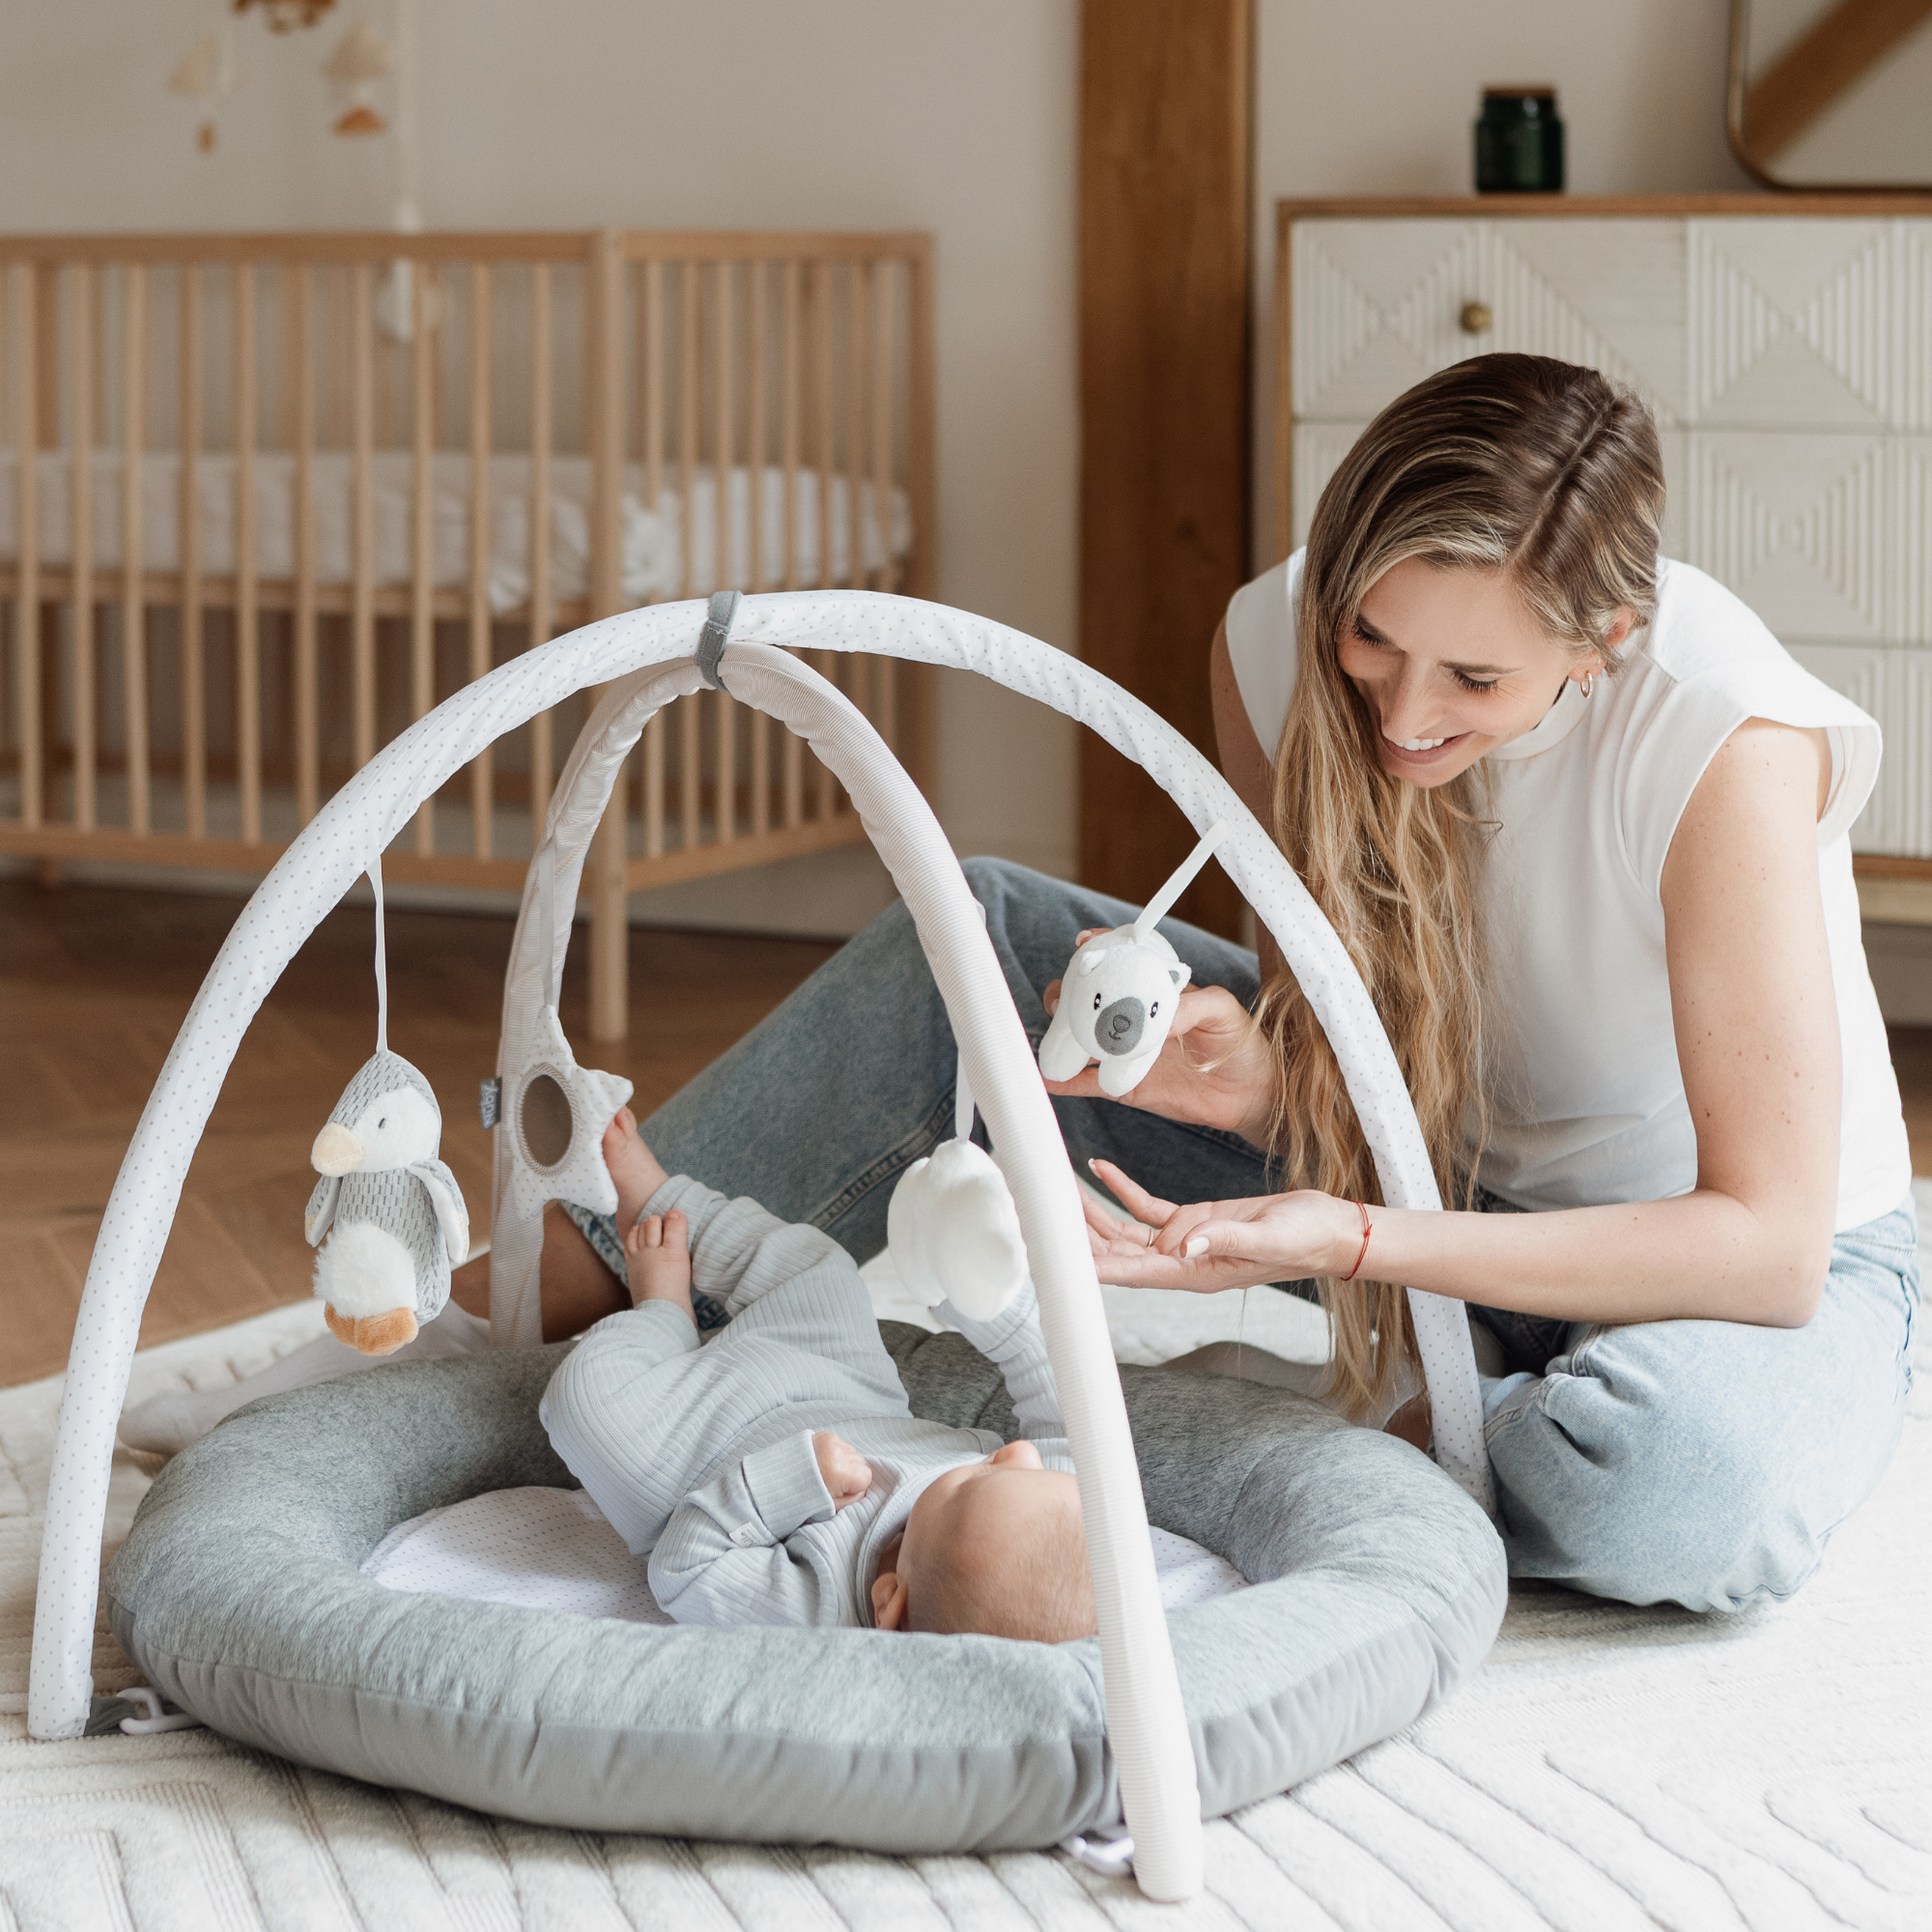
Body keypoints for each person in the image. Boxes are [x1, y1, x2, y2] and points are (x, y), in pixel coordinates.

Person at [513, 353, 1917, 1616]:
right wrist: (1272, 1085)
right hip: (1428, 1176)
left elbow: (1768, 1245)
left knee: (1665, 1478)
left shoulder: (1721, 728)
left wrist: (1359, 1241)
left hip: (1727, 1270)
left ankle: (1389, 1432)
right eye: (1374, 638)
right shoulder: (1272, 643)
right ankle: (531, 1300)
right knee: (980, 945)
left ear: (1603, 641)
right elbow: (1349, 1030)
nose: (1406, 716)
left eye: (1474, 678)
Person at [539, 1108, 1096, 1639]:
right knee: (824, 1272)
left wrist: (793, 1480)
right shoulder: (1050, 1508)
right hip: (843, 1386)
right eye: (1032, 1470)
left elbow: (684, 1568)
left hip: (693, 1445)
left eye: (976, 1480)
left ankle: (663, 1313)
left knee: (581, 1405)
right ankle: (663, 1200)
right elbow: (1069, 1409)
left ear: (889, 1602)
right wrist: (996, 1310)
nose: (1015, 1454)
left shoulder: (819, 1606)